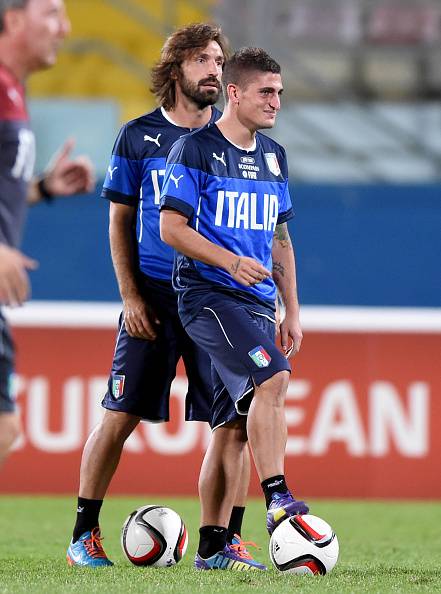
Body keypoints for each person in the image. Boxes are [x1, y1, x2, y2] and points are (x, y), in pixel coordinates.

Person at [66, 24, 264, 570]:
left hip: (213, 295)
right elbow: (120, 220)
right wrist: (130, 295)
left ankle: (221, 544)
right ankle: (83, 536)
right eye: (202, 59)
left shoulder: (232, 142)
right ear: (175, 67)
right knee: (120, 414)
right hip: (153, 295)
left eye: (220, 60)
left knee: (235, 424)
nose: (215, 70)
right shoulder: (137, 137)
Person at [160, 47, 309, 569]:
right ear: (236, 92)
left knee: (232, 426)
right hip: (209, 297)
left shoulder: (274, 156)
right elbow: (171, 229)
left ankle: (213, 547)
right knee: (273, 379)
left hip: (258, 303)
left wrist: (291, 309)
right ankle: (278, 500)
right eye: (267, 92)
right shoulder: (195, 151)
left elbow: (280, 239)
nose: (276, 102)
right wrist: (228, 262)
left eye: (280, 93)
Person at [0, 0, 94, 466]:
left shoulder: (12, 90)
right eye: (52, 13)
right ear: (13, 20)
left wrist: (41, 188)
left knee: (4, 426)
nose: (66, 27)